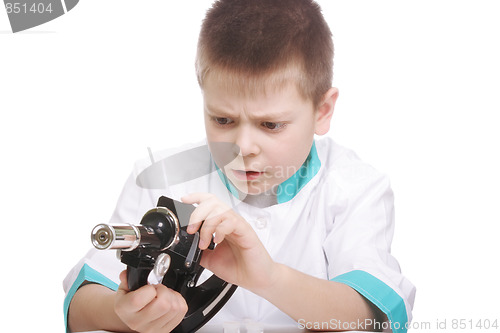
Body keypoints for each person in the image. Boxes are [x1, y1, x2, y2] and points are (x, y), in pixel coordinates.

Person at [63, 0, 416, 332]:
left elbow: (372, 318)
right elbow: (80, 306)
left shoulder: (355, 188)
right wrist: (122, 313)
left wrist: (269, 278)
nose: (243, 148)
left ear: (322, 111)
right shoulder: (161, 176)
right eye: (222, 119)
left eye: (271, 125)